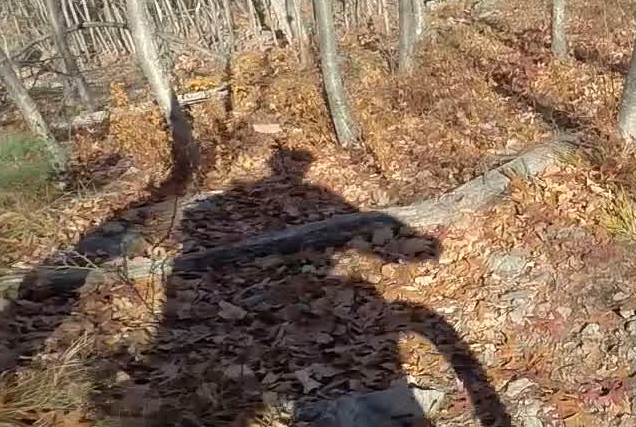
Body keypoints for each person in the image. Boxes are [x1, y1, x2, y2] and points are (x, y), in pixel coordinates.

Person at [98, 146, 510, 427]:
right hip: (267, 315)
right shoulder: (262, 199)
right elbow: (366, 231)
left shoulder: (294, 197)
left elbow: (361, 226)